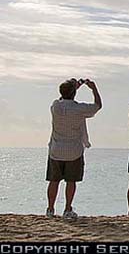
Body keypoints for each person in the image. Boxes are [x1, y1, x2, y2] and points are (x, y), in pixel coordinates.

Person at [46, 78, 102, 218]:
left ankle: (50, 209)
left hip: (56, 150)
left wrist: (74, 88)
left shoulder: (55, 107)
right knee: (71, 181)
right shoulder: (79, 109)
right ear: (73, 93)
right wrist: (94, 88)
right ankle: (67, 209)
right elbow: (97, 106)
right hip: (74, 151)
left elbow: (62, 99)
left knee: (54, 181)